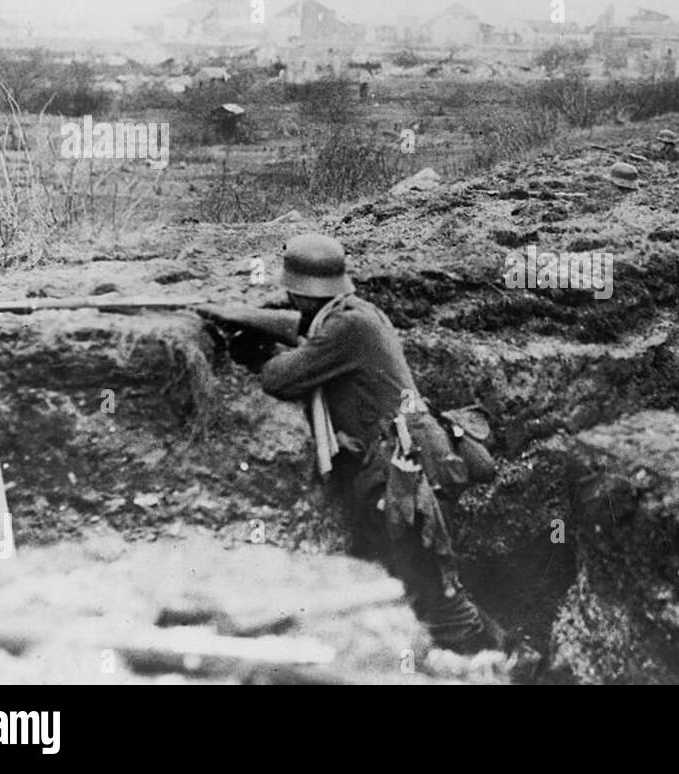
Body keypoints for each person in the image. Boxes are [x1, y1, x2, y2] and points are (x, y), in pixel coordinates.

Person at [203, 234, 509, 656]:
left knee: (432, 590)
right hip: (413, 459)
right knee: (415, 579)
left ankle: (497, 662)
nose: (290, 300)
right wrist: (236, 314)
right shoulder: (356, 313)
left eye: (292, 294)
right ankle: (494, 654)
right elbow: (301, 328)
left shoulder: (347, 326)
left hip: (404, 474)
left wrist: (256, 353)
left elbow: (280, 377)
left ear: (299, 290)